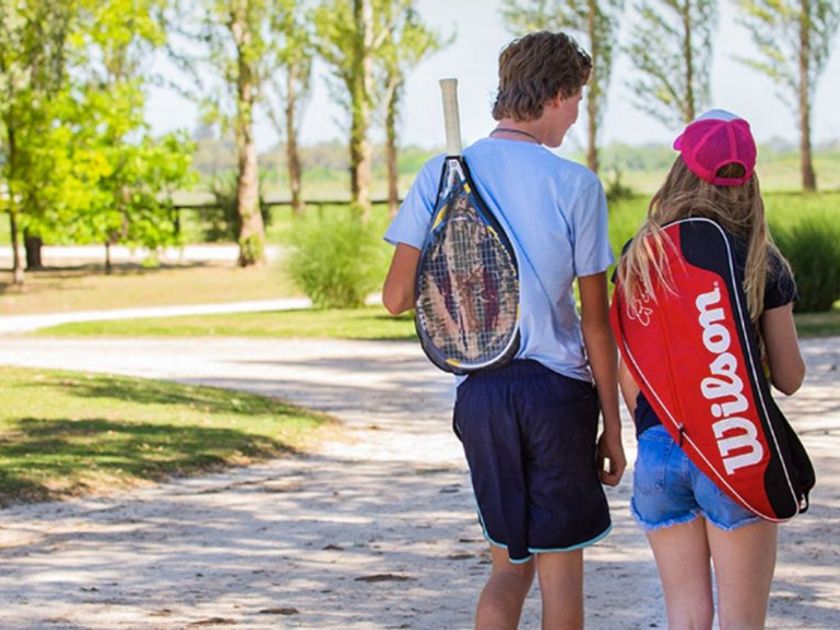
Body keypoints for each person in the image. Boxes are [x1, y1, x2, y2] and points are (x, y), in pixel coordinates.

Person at [381, 31, 626, 630]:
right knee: (560, 580)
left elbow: (395, 298)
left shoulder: (441, 173)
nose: (576, 114)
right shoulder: (576, 185)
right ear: (556, 94)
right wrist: (614, 430)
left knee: (509, 570)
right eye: (577, 100)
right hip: (557, 396)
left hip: (482, 395)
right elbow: (596, 323)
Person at [615, 109, 806, 629]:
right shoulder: (761, 261)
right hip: (735, 446)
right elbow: (789, 378)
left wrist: (660, 432)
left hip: (659, 447)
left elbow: (630, 373)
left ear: (680, 172)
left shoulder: (642, 256)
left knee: (686, 618)